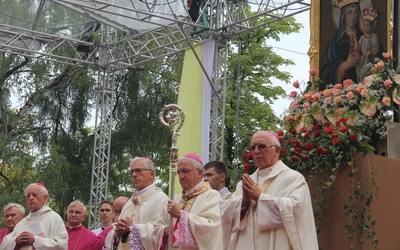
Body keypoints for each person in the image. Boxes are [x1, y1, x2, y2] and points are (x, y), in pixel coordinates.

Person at [221, 130, 318, 250]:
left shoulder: (292, 178)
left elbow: (296, 210)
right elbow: (228, 219)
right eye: (253, 147)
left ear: (276, 150)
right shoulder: (245, 183)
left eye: (261, 146)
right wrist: (244, 202)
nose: (256, 151)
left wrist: (260, 198)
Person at [127, 153, 223, 249]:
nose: (181, 176)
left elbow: (211, 228)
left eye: (185, 171)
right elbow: (157, 226)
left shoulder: (212, 196)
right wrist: (164, 231)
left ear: (199, 173)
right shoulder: (175, 199)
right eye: (179, 172)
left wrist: (181, 215)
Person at [104, 157, 169, 250]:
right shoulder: (129, 202)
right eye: (132, 172)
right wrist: (117, 232)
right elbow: (115, 231)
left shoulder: (161, 199)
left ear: (151, 173)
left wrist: (134, 228)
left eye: (138, 170)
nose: (134, 175)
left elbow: (161, 232)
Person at [0, 182, 68, 250]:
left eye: (35, 195)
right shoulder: (22, 222)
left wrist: (35, 240)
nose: (31, 198)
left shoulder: (54, 218)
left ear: (45, 198)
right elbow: (3, 245)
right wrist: (16, 241)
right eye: (28, 196)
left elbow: (61, 244)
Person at [320, 2, 361, 89]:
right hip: (343, 91)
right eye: (349, 12)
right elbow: (325, 71)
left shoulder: (363, 36)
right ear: (343, 16)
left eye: (355, 12)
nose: (353, 17)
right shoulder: (338, 42)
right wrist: (345, 65)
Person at [356, 6, 379, 82]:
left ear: (372, 26)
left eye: (367, 25)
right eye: (364, 25)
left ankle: (363, 88)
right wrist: (355, 42)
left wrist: (370, 52)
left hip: (370, 59)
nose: (365, 27)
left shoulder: (374, 36)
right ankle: (359, 87)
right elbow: (358, 47)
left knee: (362, 73)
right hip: (363, 58)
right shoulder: (362, 37)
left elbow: (376, 49)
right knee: (358, 70)